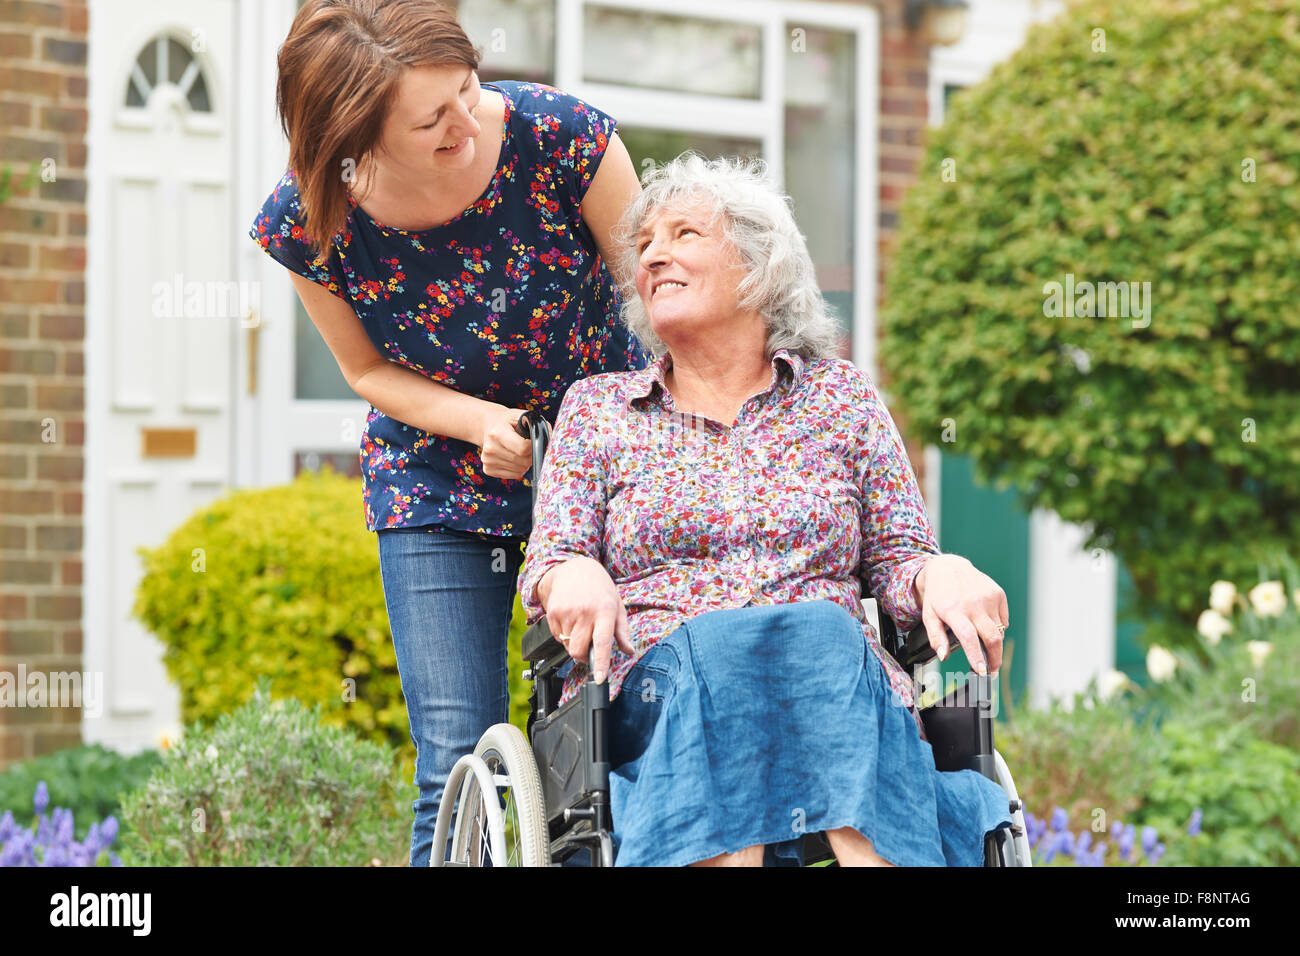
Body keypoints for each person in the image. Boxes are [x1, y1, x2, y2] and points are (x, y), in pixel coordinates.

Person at [517, 153, 1015, 867]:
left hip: (833, 690)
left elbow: (902, 554)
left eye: (684, 233)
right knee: (726, 645)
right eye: (646, 243)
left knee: (818, 634)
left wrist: (942, 571)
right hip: (664, 691)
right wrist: (571, 576)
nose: (654, 252)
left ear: (758, 267)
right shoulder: (600, 411)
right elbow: (552, 556)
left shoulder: (839, 399)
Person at [248, 0, 648, 866]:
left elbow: (658, 307)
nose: (469, 120)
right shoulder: (309, 217)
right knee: (458, 761)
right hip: (435, 475)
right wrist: (482, 426)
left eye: (467, 88)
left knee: (607, 746)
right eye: (433, 118)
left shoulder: (562, 139)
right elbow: (366, 372)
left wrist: (583, 444)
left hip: (602, 466)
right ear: (354, 137)